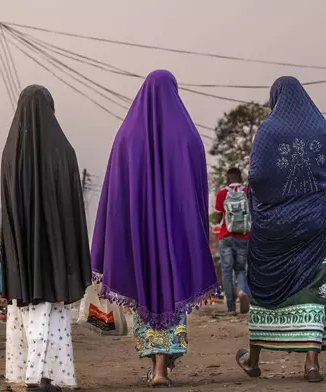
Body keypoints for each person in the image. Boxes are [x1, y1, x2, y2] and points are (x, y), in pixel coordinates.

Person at [91, 70, 218, 388]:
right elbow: (197, 190)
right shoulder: (188, 136)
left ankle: (155, 367)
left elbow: (116, 195)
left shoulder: (126, 137)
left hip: (139, 237)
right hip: (176, 236)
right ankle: (165, 366)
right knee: (171, 288)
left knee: (146, 290)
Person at [235, 77, 326, 383]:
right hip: (314, 224)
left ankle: (253, 360)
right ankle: (311, 364)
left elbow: (256, 176)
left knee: (266, 281)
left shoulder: (268, 130)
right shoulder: (323, 129)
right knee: (313, 282)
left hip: (275, 226)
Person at [1, 85, 91, 391]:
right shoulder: (63, 151)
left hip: (23, 251)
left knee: (29, 313)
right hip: (54, 248)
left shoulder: (10, 152)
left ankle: (40, 375)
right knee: (50, 312)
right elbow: (72, 206)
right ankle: (36, 377)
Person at [215, 167, 251, 315]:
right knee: (241, 269)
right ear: (240, 179)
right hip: (243, 236)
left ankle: (231, 308)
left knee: (227, 272)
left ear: (228, 179)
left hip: (226, 236)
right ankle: (242, 291)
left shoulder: (223, 193)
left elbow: (218, 218)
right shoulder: (247, 191)